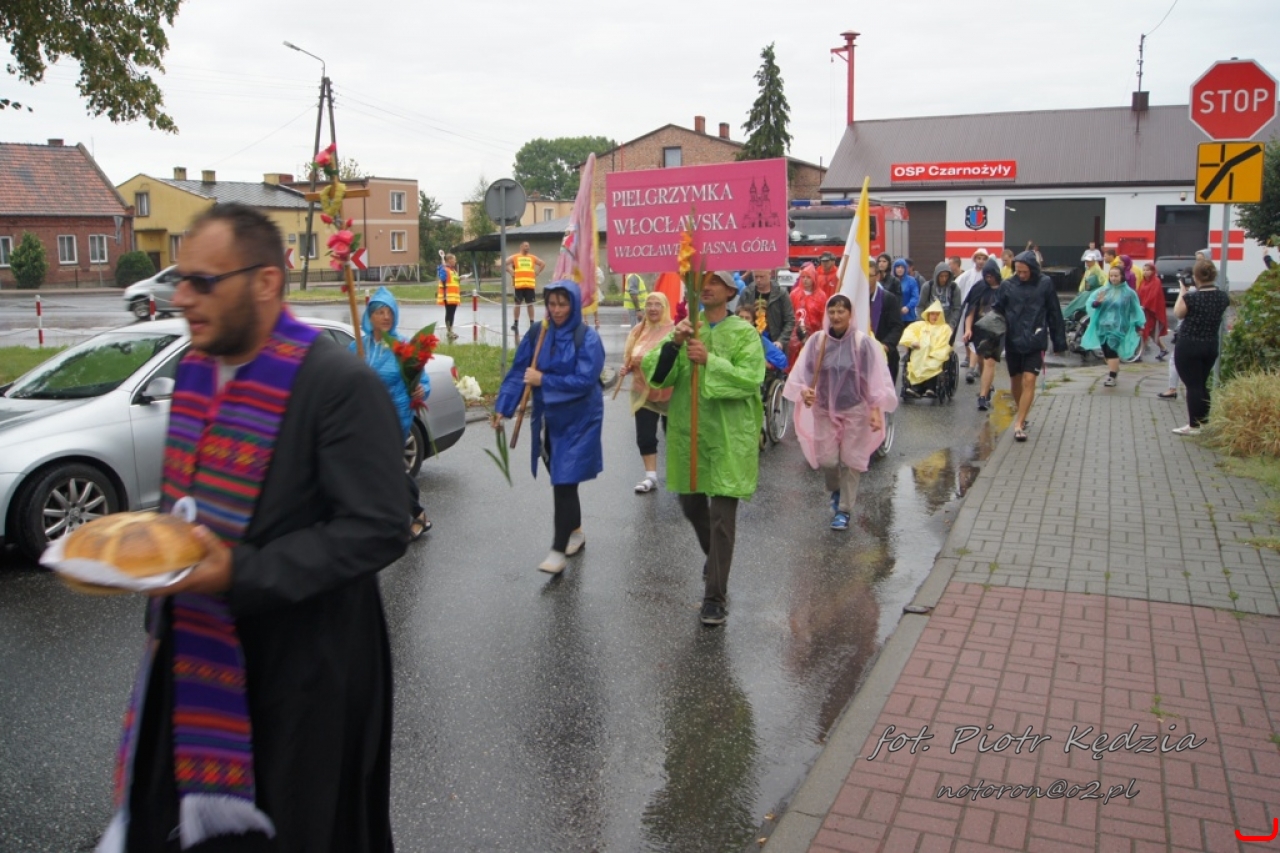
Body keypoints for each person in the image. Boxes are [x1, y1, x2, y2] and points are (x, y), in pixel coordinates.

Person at [102, 203, 408, 852]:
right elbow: (186, 499)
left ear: (266, 282)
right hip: (195, 652)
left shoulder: (337, 383)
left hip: (303, 676)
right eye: (179, 279)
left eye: (202, 281)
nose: (182, 298)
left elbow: (380, 526)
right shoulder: (195, 369)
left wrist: (239, 570)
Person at [642, 270, 764, 626]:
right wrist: (675, 344)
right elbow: (657, 375)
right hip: (690, 435)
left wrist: (710, 360)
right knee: (691, 504)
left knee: (722, 518)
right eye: (702, 281)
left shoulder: (744, 332)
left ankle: (715, 597)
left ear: (730, 291)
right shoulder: (685, 329)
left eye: (714, 282)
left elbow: (750, 378)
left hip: (728, 437)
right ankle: (716, 559)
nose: (706, 287)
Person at [492, 280, 605, 572]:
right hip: (547, 419)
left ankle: (557, 550)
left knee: (564, 479)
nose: (556, 310)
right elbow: (520, 371)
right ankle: (575, 531)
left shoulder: (588, 339)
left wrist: (544, 380)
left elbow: (585, 380)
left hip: (580, 420)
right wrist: (503, 407)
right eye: (552, 303)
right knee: (562, 476)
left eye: (563, 304)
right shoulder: (537, 333)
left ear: (574, 305)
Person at [784, 293, 897, 530]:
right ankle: (835, 489)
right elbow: (804, 374)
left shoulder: (862, 343)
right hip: (824, 408)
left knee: (851, 461)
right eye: (832, 311)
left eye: (841, 311)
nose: (836, 316)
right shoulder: (817, 342)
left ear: (850, 314)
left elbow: (873, 378)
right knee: (827, 459)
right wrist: (805, 391)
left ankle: (844, 509)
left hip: (855, 409)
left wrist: (875, 409)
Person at [353, 286, 431, 539]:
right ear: (370, 316)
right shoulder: (358, 346)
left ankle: (415, 514)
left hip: (394, 417)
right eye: (380, 312)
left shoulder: (404, 348)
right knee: (379, 469)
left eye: (390, 312)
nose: (386, 316)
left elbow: (422, 381)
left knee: (387, 466)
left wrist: (421, 389)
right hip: (365, 418)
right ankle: (406, 515)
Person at [993, 250, 1066, 442]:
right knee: (1016, 382)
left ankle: (1018, 424)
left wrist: (1059, 342)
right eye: (1018, 271)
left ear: (1033, 269)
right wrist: (990, 337)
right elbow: (997, 311)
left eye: (1025, 271)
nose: (1021, 275)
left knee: (1030, 380)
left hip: (1035, 339)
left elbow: (1054, 312)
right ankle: (1022, 413)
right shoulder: (1008, 285)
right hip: (1013, 340)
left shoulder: (1045, 284)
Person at [620, 292, 674, 494]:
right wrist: (626, 368)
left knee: (674, 436)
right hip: (642, 391)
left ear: (665, 307)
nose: (652, 308)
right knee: (645, 436)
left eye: (657, 304)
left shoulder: (674, 331)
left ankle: (680, 476)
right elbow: (630, 357)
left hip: (670, 393)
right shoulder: (638, 330)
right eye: (649, 304)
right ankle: (650, 476)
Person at [1171, 258, 1231, 436]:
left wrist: (1183, 290)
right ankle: (1203, 422)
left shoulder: (1191, 297)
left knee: (1193, 386)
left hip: (1189, 344)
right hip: (1210, 345)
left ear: (1196, 277)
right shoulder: (1222, 297)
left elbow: (1178, 313)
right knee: (1201, 384)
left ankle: (1194, 425)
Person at [1081, 265, 1145, 387]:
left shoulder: (1129, 293)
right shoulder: (1103, 291)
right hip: (1102, 326)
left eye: (1116, 276)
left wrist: (1138, 325)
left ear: (1122, 276)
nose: (1113, 278)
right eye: (1111, 276)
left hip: (1119, 327)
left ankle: (1112, 376)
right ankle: (1114, 369)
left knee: (1111, 350)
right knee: (1106, 351)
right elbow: (1091, 304)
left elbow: (1136, 310)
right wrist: (1097, 302)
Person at [962, 258, 1005, 411]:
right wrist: (968, 329)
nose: (989, 279)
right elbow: (971, 310)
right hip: (979, 328)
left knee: (989, 361)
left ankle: (982, 396)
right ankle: (986, 387)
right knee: (981, 359)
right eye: (986, 276)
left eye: (991, 276)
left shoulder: (1004, 288)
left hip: (996, 330)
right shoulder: (979, 287)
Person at [899, 301, 954, 398]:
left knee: (932, 365)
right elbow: (909, 331)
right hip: (919, 353)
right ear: (928, 314)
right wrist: (913, 341)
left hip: (935, 354)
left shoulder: (945, 328)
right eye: (932, 314)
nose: (935, 316)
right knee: (917, 363)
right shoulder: (920, 325)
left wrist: (935, 353)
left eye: (937, 314)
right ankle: (916, 388)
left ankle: (930, 387)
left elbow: (945, 343)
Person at [738, 267, 796, 357]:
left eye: (762, 277)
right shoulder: (747, 292)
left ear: (770, 274)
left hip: (775, 344)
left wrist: (781, 341)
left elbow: (790, 320)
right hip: (751, 343)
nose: (758, 280)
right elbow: (737, 317)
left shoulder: (781, 294)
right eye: (756, 277)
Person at [955, 248, 990, 372]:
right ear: (974, 259)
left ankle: (978, 363)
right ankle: (968, 356)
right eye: (978, 258)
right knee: (968, 333)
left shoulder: (988, 275)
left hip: (983, 310)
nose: (981, 261)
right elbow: (956, 285)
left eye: (984, 259)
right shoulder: (968, 274)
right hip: (969, 308)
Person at [789, 262, 828, 365]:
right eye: (803, 277)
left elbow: (824, 318)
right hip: (796, 337)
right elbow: (790, 315)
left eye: (808, 277)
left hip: (814, 336)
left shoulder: (821, 296)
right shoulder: (794, 294)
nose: (805, 280)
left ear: (814, 278)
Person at [505, 241, 546, 335]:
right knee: (517, 304)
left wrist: (537, 272)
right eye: (526, 246)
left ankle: (532, 323)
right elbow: (504, 263)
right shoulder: (515, 257)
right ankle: (515, 323)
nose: (527, 247)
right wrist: (510, 271)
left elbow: (542, 263)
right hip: (519, 285)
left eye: (528, 246)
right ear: (521, 247)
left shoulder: (532, 257)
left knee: (530, 304)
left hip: (529, 285)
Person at [871, 274, 904, 387]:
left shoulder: (888, 299)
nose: (867, 279)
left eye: (870, 275)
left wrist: (886, 345)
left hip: (884, 351)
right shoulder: (855, 299)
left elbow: (897, 326)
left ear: (877, 277)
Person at [736, 304, 790, 371]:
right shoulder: (729, 335)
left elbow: (781, 360)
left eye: (747, 318)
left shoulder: (759, 340)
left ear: (753, 322)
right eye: (741, 317)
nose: (743, 320)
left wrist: (768, 365)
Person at [919, 262, 962, 341]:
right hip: (929, 326)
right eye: (941, 276)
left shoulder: (954, 288)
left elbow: (957, 308)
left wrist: (952, 325)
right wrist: (922, 322)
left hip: (947, 325)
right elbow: (920, 306)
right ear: (936, 275)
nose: (944, 279)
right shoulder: (927, 287)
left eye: (946, 276)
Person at [1138, 261, 1170, 360]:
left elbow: (1153, 295)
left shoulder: (1156, 281)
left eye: (1148, 270)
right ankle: (1163, 349)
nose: (1145, 272)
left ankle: (1139, 354)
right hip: (1143, 310)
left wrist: (1145, 305)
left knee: (1146, 332)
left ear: (1153, 271)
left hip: (1152, 311)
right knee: (1151, 333)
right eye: (1144, 270)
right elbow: (1139, 293)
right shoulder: (1143, 282)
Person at [437, 252, 462, 340]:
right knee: (449, 313)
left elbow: (454, 281)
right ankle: (449, 332)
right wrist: (442, 268)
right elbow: (442, 278)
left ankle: (451, 331)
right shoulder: (445, 269)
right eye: (454, 259)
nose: (455, 261)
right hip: (447, 296)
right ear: (449, 260)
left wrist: (460, 278)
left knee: (452, 314)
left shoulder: (453, 270)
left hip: (454, 296)